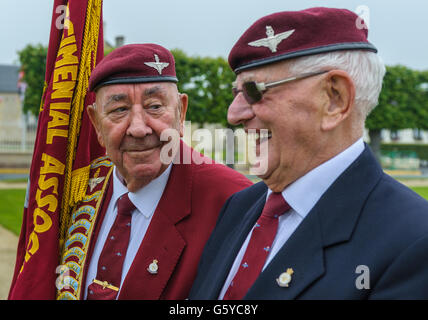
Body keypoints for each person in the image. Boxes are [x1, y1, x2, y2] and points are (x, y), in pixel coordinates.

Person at [189, 7, 428, 300]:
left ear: (334, 99)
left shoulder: (414, 241)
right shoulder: (241, 206)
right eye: (236, 92)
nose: (233, 113)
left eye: (254, 91)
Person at [56, 43, 252, 300]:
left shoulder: (235, 203)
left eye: (155, 106)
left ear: (180, 113)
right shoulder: (76, 191)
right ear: (95, 124)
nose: (139, 128)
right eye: (119, 110)